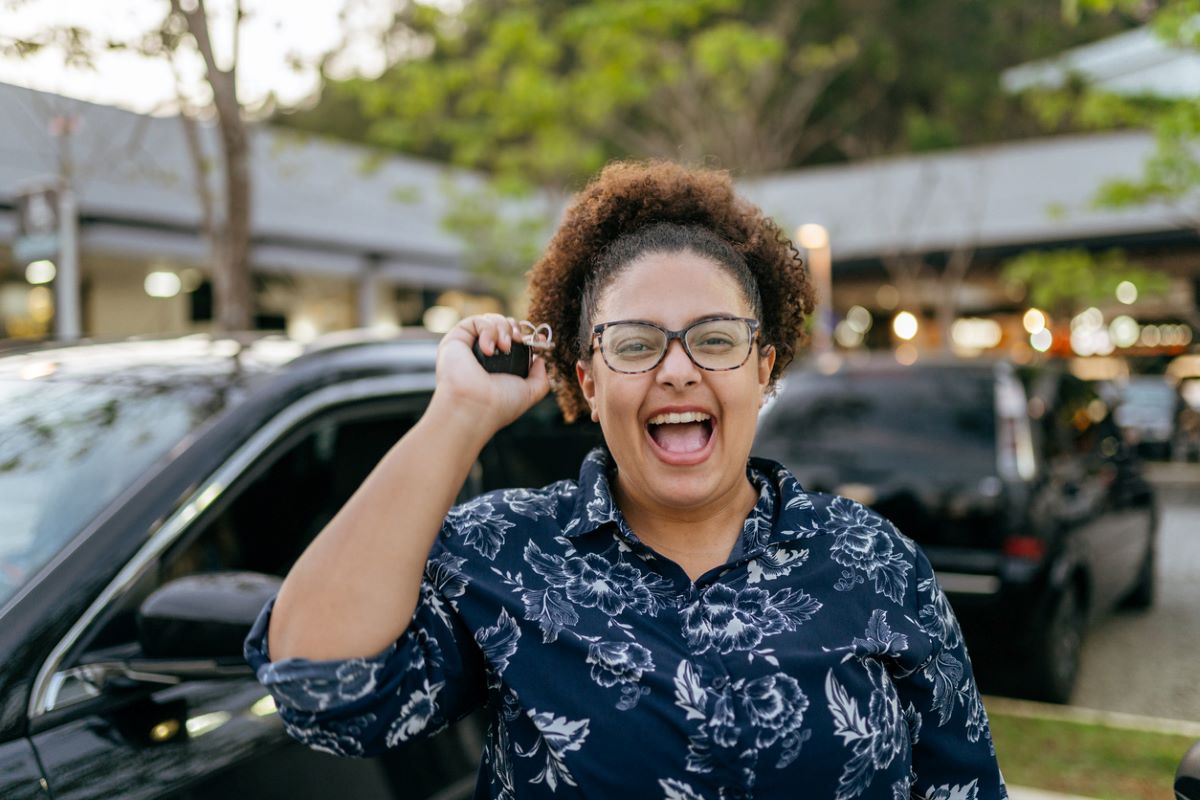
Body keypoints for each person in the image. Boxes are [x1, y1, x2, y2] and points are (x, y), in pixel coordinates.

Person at [246, 161, 1007, 799]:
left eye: (715, 339)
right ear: (588, 379)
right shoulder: (506, 551)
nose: (678, 370)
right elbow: (324, 692)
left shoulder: (875, 562)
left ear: (763, 369)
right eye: (636, 344)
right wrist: (460, 413)